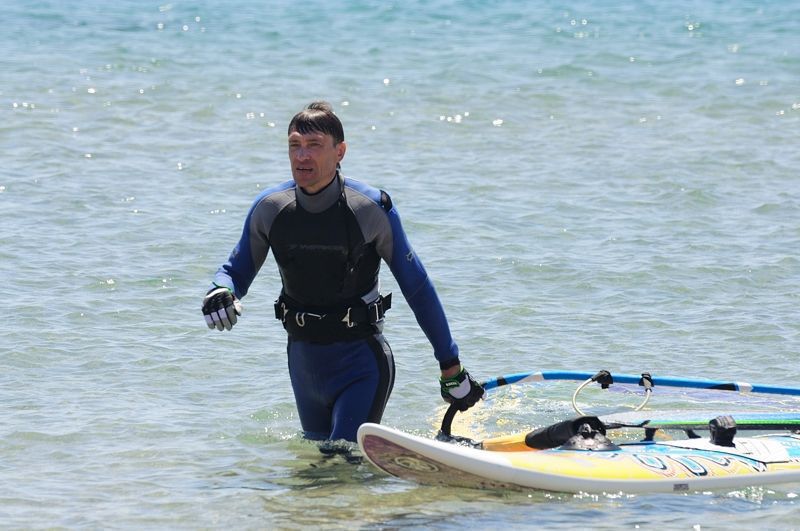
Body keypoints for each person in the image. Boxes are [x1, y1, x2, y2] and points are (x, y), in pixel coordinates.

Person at [202, 101, 483, 445]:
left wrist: (450, 364)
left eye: (314, 145)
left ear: (340, 152)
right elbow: (236, 270)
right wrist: (221, 290)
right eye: (294, 145)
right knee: (316, 462)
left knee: (340, 458)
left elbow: (417, 287)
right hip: (303, 364)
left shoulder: (370, 209)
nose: (302, 155)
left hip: (360, 363)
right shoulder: (270, 208)